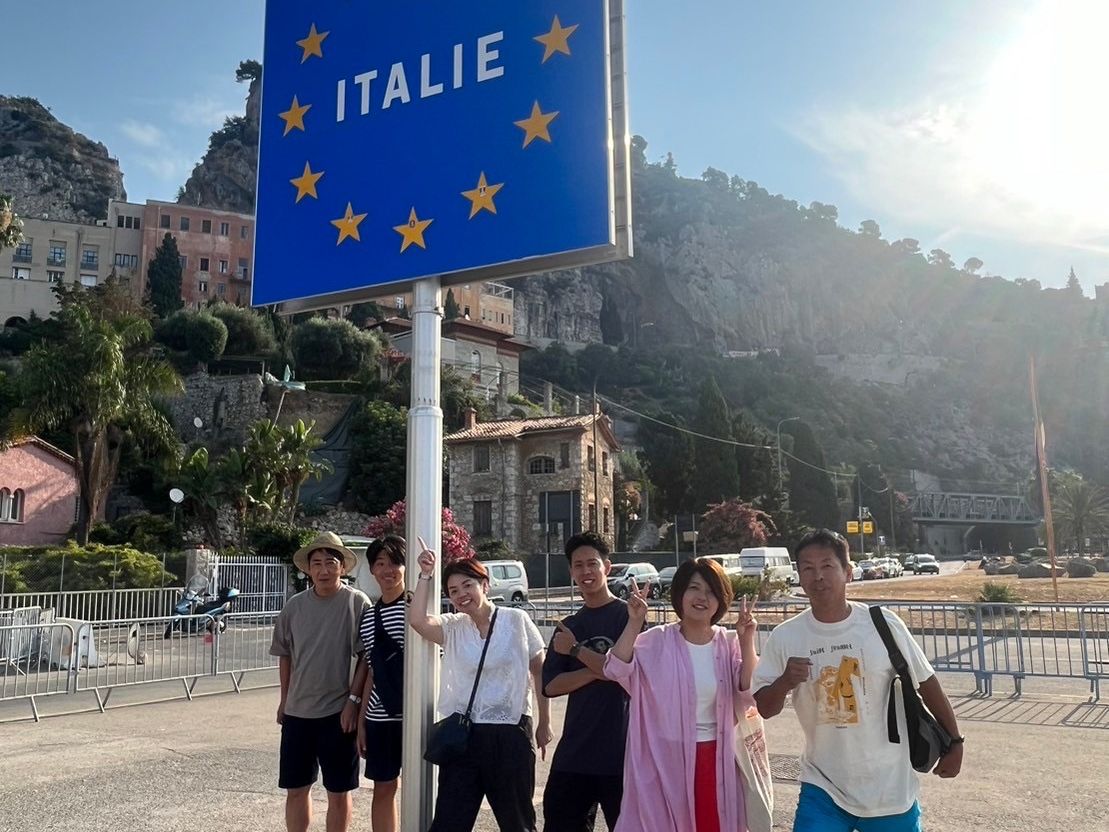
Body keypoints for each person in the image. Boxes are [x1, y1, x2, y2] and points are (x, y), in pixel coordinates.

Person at [753, 529, 964, 832]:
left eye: (827, 566)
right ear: (799, 576)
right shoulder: (786, 636)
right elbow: (764, 708)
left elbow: (927, 683)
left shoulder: (882, 624)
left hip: (889, 789)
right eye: (808, 568)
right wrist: (785, 681)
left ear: (848, 572)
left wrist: (955, 742)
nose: (818, 576)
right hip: (823, 786)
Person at [604, 557, 758, 832]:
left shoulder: (728, 643)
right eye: (694, 588)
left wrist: (747, 641)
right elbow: (615, 669)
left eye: (711, 591)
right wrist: (634, 623)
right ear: (680, 593)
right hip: (663, 761)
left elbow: (749, 692)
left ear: (721, 600)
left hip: (716, 760)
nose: (702, 597)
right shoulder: (656, 641)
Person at [409, 544, 552, 832]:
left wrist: (544, 721)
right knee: (449, 823)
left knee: (517, 823)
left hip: (510, 732)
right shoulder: (453, 627)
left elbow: (540, 670)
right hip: (464, 736)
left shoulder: (516, 620)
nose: (461, 594)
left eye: (467, 585)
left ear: (484, 585)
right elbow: (417, 620)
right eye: (453, 590)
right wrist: (425, 575)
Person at [270, 531, 370, 832]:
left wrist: (353, 702)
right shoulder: (294, 606)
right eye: (317, 563)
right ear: (308, 569)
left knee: (339, 791)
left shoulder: (357, 603)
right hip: (297, 713)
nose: (324, 570)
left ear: (343, 567)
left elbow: (367, 657)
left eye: (330, 563)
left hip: (338, 714)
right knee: (296, 789)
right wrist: (284, 700)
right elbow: (285, 655)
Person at [541, 531, 633, 832]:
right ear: (571, 571)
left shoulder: (629, 617)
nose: (585, 572)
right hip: (575, 755)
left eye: (592, 563)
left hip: (623, 755)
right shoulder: (568, 626)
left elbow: (631, 674)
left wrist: (577, 651)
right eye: (578, 565)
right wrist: (600, 669)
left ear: (607, 567)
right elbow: (551, 686)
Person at [355, 535, 408, 832]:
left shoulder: (417, 609)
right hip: (380, 717)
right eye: (380, 563)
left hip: (416, 716)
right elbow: (373, 672)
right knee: (384, 788)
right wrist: (362, 721)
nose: (388, 570)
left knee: (426, 785)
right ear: (372, 569)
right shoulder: (368, 618)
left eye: (395, 562)